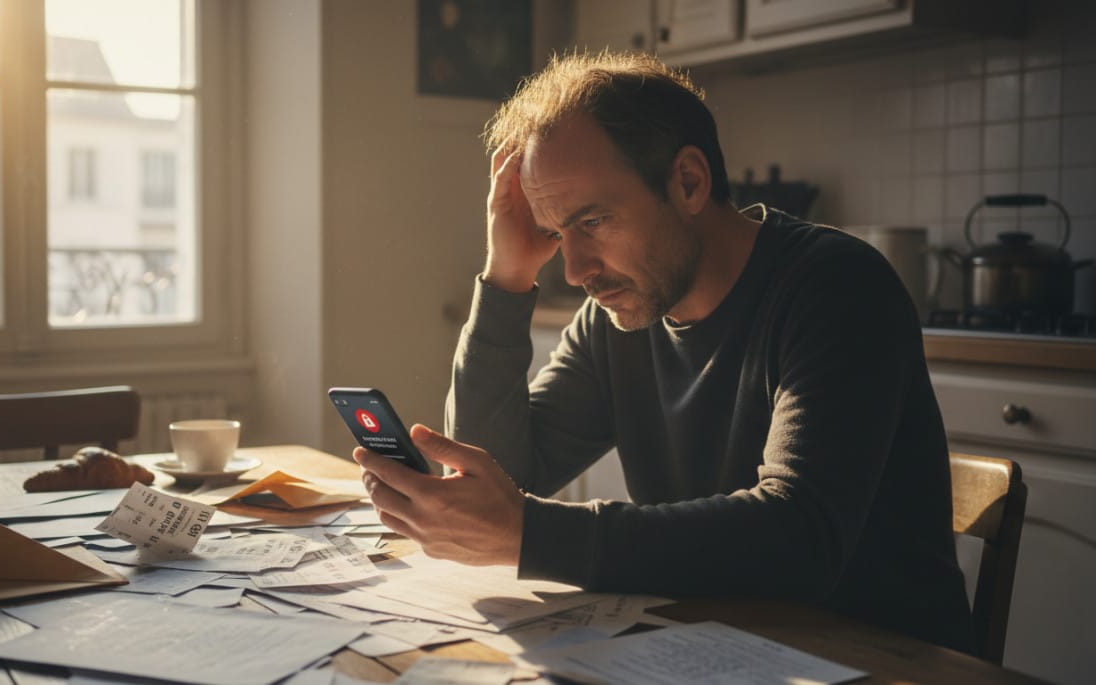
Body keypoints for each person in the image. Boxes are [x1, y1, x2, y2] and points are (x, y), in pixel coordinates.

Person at [352, 51, 976, 654]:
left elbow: (799, 538)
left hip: (882, 661)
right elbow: (504, 477)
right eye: (553, 232)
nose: (574, 270)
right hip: (714, 647)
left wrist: (532, 532)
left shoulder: (837, 288)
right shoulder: (617, 316)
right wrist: (507, 275)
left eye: (593, 221)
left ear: (689, 181)